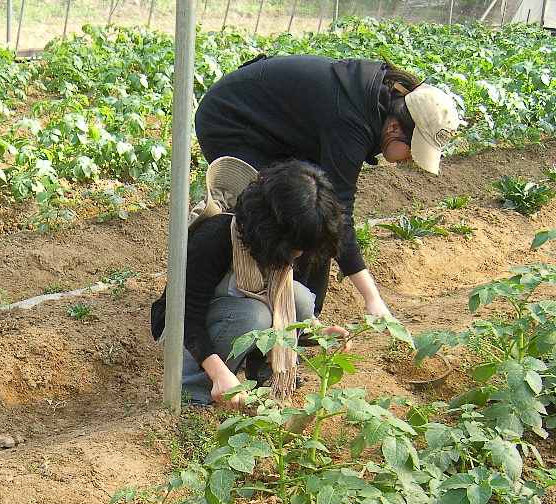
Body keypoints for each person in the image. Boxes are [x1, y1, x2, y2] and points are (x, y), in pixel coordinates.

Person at [194, 54, 461, 319]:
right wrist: (372, 297)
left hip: (275, 130)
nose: (411, 158)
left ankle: (305, 320)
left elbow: (331, 215)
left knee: (314, 212)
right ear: (393, 127)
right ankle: (238, 310)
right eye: (413, 149)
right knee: (289, 211)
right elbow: (339, 212)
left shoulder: (376, 104)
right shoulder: (352, 120)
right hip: (231, 121)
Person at [151, 158, 350, 407]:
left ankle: (263, 375)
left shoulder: (287, 243)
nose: (299, 254)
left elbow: (283, 299)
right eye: (296, 246)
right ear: (273, 231)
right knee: (253, 316)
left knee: (299, 298)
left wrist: (318, 330)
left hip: (230, 313)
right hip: (184, 327)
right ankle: (196, 391)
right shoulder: (214, 239)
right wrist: (219, 373)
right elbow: (183, 317)